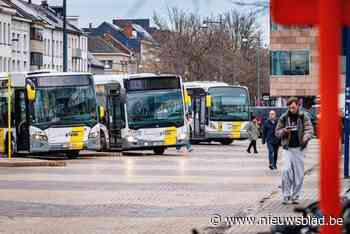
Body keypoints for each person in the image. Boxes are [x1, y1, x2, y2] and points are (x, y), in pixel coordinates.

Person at [275, 97, 313, 205]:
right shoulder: (284, 117)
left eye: (293, 107)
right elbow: (277, 132)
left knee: (299, 174)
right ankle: (286, 195)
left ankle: (295, 196)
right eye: (290, 108)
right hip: (288, 148)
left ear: (297, 106)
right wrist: (284, 131)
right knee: (286, 170)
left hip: (300, 149)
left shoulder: (303, 116)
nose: (291, 109)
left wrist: (305, 138)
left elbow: (309, 129)